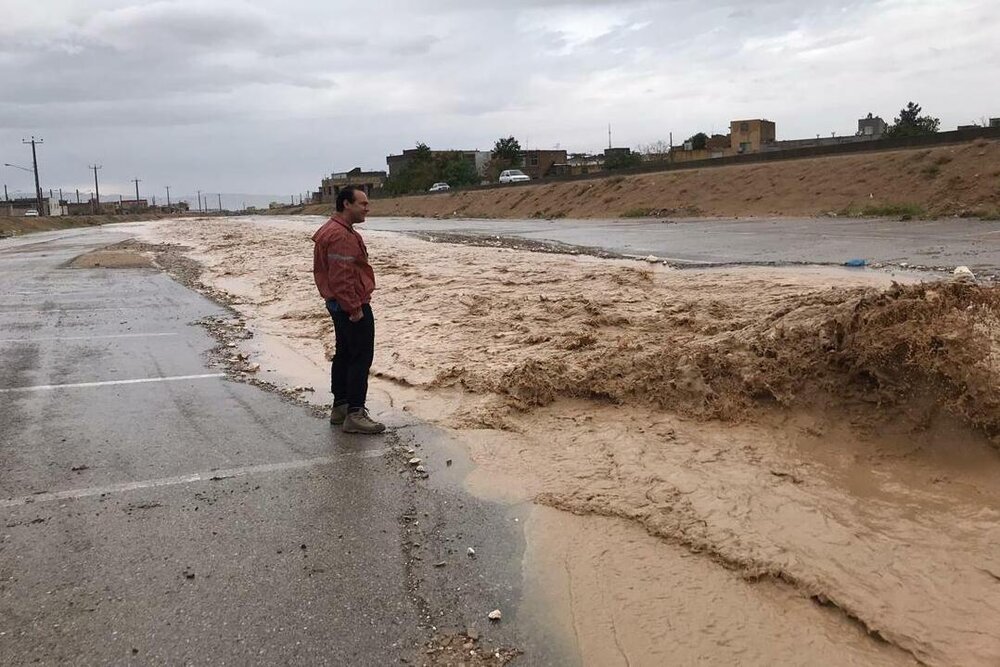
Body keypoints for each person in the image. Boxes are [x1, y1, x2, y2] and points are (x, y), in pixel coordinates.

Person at [312, 186, 385, 434]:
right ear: (346, 204)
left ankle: (341, 406)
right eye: (362, 204)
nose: (367, 209)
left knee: (344, 353)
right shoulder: (341, 235)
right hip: (350, 304)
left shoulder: (333, 229)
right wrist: (354, 308)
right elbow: (342, 277)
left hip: (338, 303)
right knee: (360, 357)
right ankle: (355, 412)